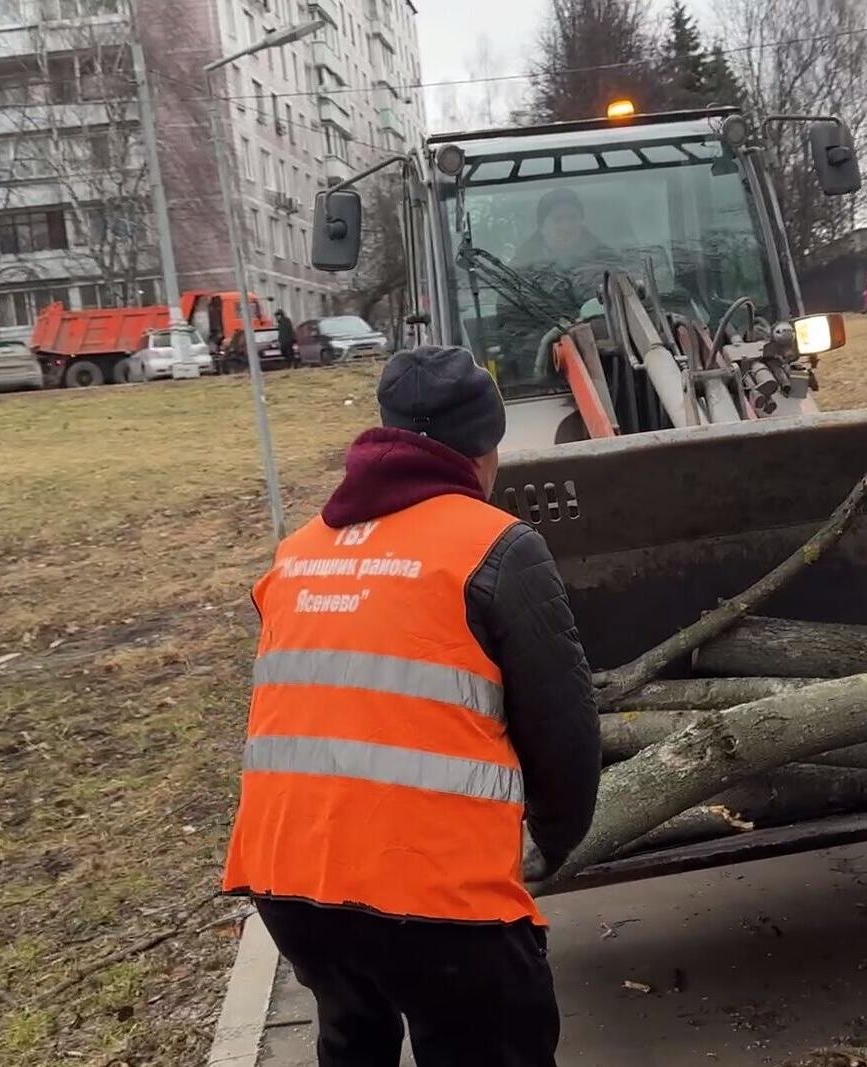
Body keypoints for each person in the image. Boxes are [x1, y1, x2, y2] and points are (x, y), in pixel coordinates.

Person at [222, 345, 601, 1067]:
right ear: (487, 447)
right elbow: (564, 731)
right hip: (435, 900)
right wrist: (553, 841)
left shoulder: (297, 552)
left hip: (290, 883)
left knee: (353, 1033)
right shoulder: (494, 546)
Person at [513, 188, 621, 302]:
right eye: (558, 220)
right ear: (542, 228)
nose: (567, 227)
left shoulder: (608, 261)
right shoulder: (521, 270)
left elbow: (629, 294)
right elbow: (509, 310)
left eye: (572, 217)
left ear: (581, 221)